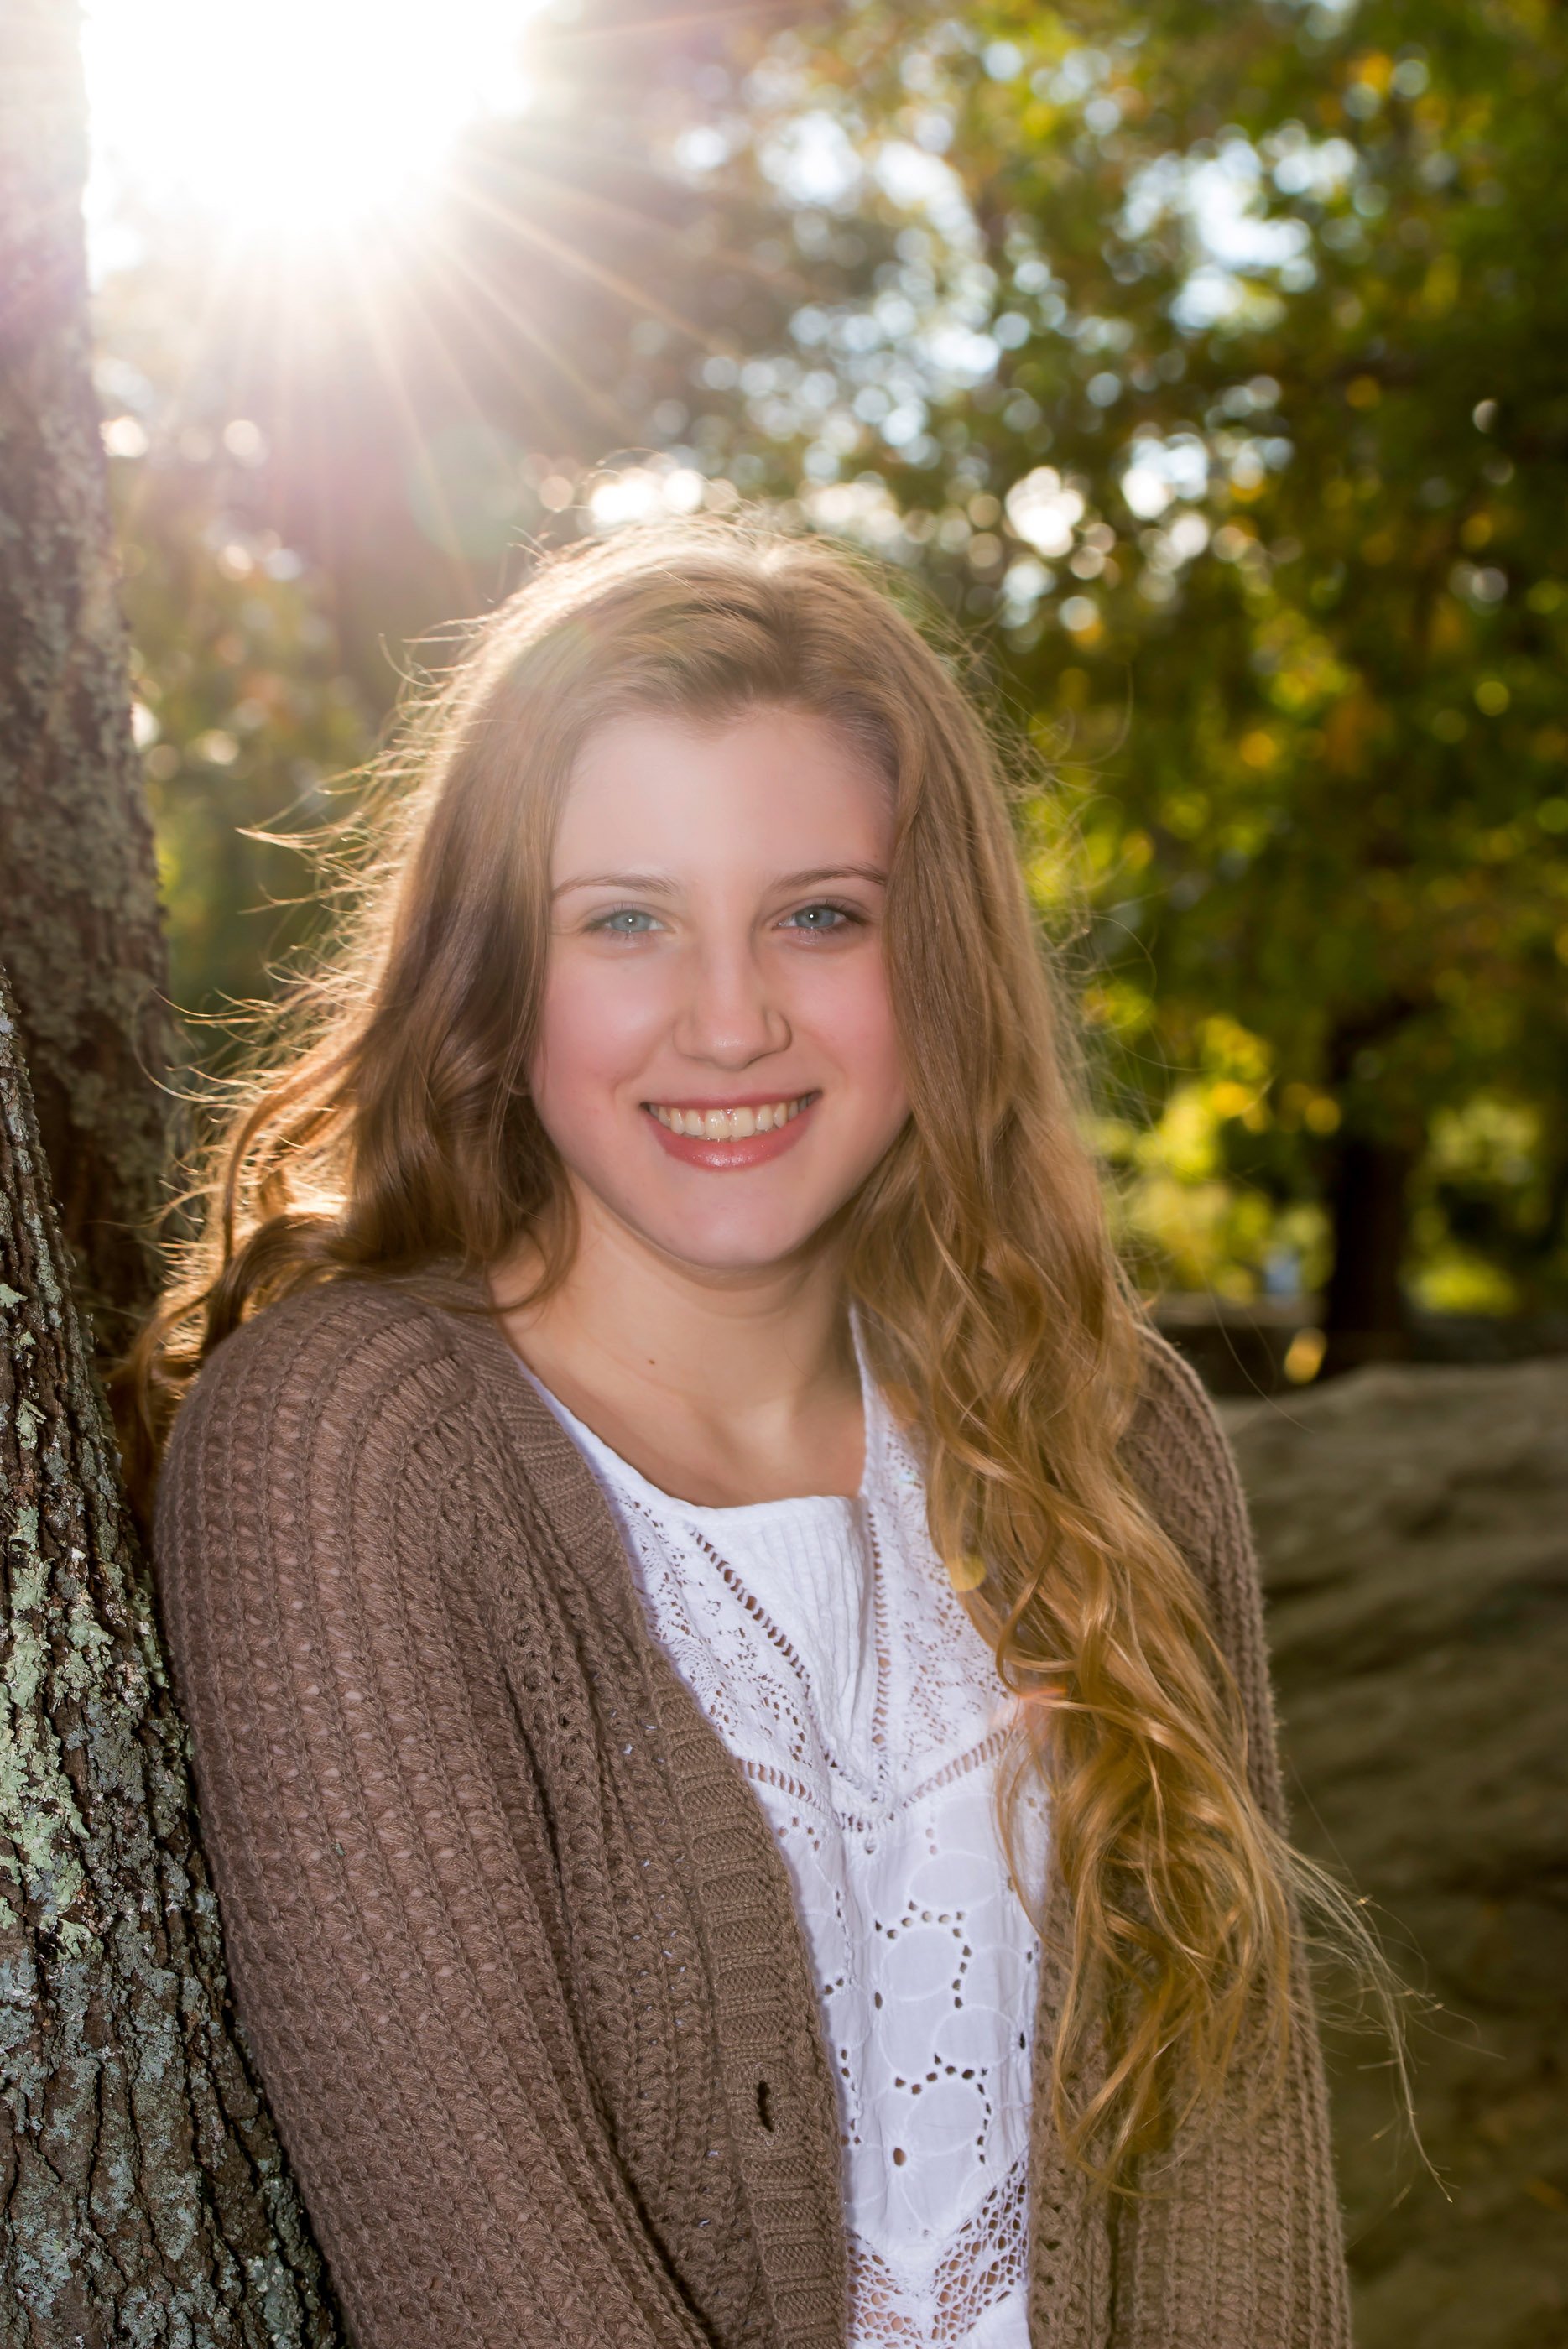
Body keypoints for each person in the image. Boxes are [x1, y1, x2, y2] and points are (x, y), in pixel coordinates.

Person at [134, 520, 1353, 2348]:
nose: (727, 1019)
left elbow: (1233, 2178)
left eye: (817, 913)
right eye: (623, 918)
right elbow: (483, 2268)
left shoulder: (1103, 1425)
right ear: (497, 972)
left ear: (928, 950)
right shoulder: (347, 1454)